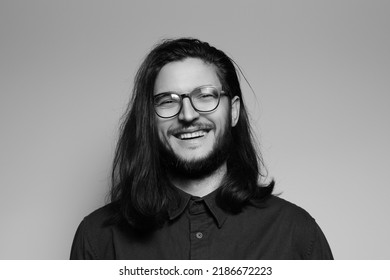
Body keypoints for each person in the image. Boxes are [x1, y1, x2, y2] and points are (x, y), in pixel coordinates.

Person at [70, 38, 333, 260]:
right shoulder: (97, 238)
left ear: (234, 111)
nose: (187, 114)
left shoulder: (297, 234)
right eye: (167, 101)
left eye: (205, 95)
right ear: (149, 120)